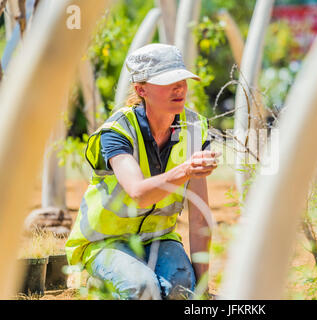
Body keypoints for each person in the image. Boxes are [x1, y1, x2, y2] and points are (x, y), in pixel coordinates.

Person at [65, 43, 220, 300]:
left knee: (182, 293)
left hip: (159, 237)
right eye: (168, 81)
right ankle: (98, 286)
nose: (179, 87)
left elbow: (199, 217)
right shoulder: (117, 132)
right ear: (141, 90)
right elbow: (138, 193)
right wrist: (187, 169)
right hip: (105, 240)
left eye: (182, 79)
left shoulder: (194, 129)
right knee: (143, 289)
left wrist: (201, 289)